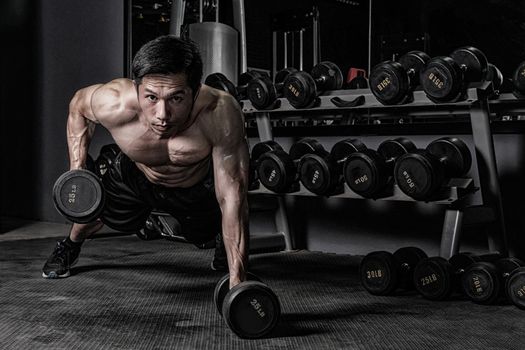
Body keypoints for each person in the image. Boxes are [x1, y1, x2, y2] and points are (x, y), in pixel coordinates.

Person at [42, 35, 249, 288]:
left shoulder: (219, 113)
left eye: (176, 98)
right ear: (136, 88)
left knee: (210, 227)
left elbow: (233, 196)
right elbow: (78, 105)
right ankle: (70, 246)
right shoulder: (114, 102)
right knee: (89, 216)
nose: (162, 115)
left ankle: (222, 245)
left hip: (193, 186)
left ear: (195, 92)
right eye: (151, 97)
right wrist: (78, 169)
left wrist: (238, 282)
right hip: (135, 174)